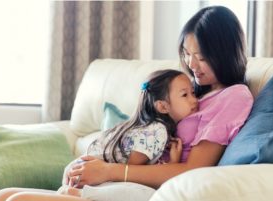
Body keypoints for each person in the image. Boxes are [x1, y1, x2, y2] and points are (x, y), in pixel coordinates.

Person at [64, 5, 254, 191]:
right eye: (187, 54)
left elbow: (194, 169)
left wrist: (108, 171)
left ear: (225, 54)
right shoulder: (191, 90)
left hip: (150, 184)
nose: (191, 64)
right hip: (129, 170)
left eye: (201, 57)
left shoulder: (234, 96)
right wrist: (89, 163)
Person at [0, 69, 198, 201]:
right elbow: (132, 171)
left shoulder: (138, 125)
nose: (194, 100)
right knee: (7, 198)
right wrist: (171, 164)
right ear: (162, 106)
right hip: (102, 183)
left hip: (86, 177)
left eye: (193, 93)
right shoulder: (158, 130)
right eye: (185, 94)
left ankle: (74, 195)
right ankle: (78, 196)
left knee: (4, 197)